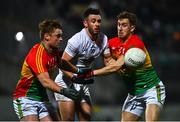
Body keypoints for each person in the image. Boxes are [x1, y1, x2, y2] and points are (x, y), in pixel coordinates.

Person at [78, 11, 166, 121]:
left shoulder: (135, 43)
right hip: (134, 94)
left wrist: (90, 73)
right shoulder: (112, 43)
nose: (120, 28)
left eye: (124, 25)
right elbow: (108, 61)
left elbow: (115, 67)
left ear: (132, 28)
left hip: (151, 90)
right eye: (119, 24)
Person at [12, 19, 81, 121]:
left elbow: (61, 63)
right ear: (47, 36)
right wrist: (63, 90)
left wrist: (79, 71)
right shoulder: (37, 54)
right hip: (26, 99)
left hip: (43, 99)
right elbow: (45, 81)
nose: (61, 39)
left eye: (61, 36)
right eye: (58, 36)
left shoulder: (54, 51)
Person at [54, 8, 112, 121]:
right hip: (66, 81)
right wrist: (74, 77)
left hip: (82, 82)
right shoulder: (77, 40)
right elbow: (61, 63)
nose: (97, 24)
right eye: (93, 21)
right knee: (68, 120)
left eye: (99, 21)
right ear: (85, 23)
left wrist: (122, 62)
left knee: (86, 119)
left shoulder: (104, 39)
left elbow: (108, 61)